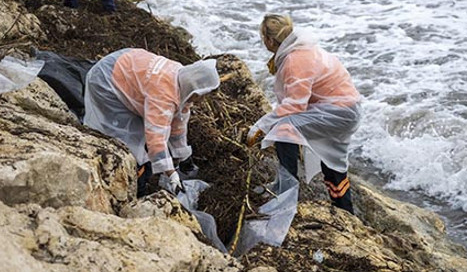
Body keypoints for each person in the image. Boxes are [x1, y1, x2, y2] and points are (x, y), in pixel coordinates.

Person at [246, 14, 362, 214]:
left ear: (270, 40)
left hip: (339, 112)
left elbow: (294, 106)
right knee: (331, 160)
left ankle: (287, 194)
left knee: (284, 129)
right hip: (341, 108)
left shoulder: (295, 59)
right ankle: (344, 210)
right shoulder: (299, 47)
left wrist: (261, 126)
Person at [83, 49, 220, 196]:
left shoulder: (181, 77)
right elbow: (156, 138)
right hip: (106, 80)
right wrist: (171, 174)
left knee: (146, 133)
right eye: (202, 96)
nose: (202, 101)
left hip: (124, 63)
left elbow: (178, 123)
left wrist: (184, 156)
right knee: (129, 139)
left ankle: (142, 170)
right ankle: (137, 181)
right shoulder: (163, 95)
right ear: (195, 90)